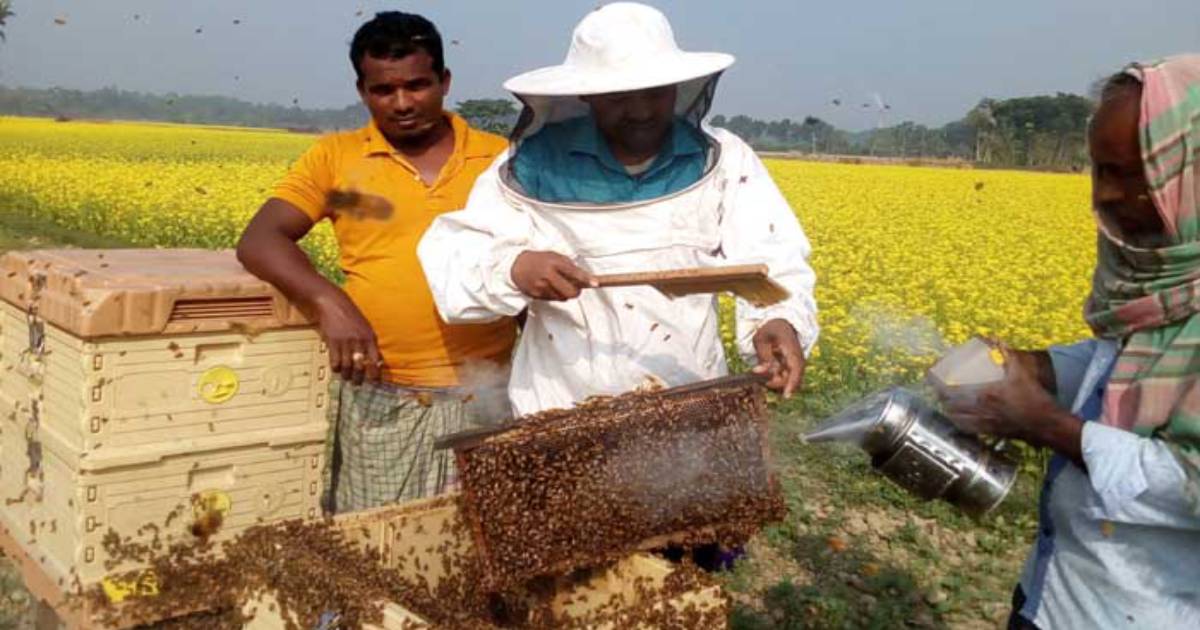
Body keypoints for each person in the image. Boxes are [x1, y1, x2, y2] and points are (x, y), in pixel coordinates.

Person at [417, 2, 819, 418]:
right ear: (588, 95)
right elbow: (455, 262)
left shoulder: (724, 160)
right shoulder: (532, 166)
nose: (641, 110)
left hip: (689, 398)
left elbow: (773, 256)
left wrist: (779, 320)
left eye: (654, 93)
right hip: (560, 406)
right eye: (620, 97)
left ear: (678, 88)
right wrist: (515, 267)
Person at [940, 55, 1200, 628]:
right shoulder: (1160, 275)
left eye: (1129, 173)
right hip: (1055, 593)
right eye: (1098, 170)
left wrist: (1045, 424)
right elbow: (1125, 361)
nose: (1103, 195)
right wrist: (1035, 368)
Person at [236, 12, 516, 513]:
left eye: (418, 85)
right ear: (363, 91)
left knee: (481, 545)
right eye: (385, 90)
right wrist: (329, 302)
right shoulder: (336, 159)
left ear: (444, 82)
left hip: (489, 389)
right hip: (384, 391)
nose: (404, 103)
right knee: (379, 542)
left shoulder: (498, 160)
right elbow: (261, 239)